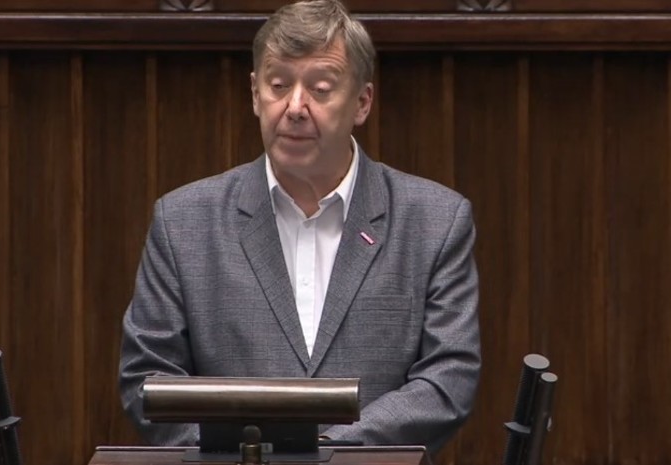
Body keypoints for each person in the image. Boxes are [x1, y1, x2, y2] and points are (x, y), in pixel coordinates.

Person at [119, 0, 480, 452]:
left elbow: (448, 379)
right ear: (255, 95)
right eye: (278, 86)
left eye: (321, 89)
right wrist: (243, 454)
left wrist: (324, 451)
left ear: (362, 102)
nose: (294, 107)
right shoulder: (184, 221)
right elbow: (146, 379)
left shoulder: (434, 220)